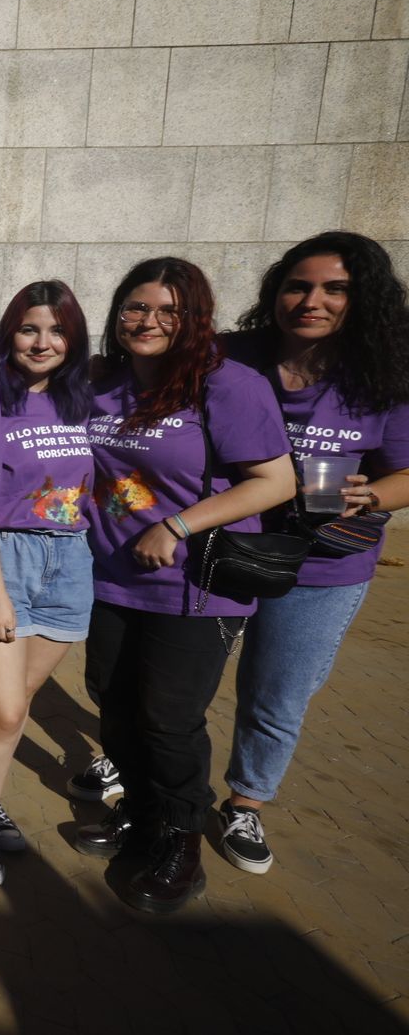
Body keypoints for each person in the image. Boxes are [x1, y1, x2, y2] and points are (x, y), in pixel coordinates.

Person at [74, 257, 295, 914]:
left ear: (195, 320)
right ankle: (142, 821)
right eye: (136, 308)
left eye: (169, 311)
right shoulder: (101, 382)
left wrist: (176, 523)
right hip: (112, 578)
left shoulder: (225, 385)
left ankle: (182, 846)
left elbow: (275, 481)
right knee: (113, 708)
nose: (148, 322)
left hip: (194, 587)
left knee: (168, 721)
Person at [218, 232, 409, 873]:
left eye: (335, 289)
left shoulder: (385, 374)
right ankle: (140, 768)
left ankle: (246, 803)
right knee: (170, 676)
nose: (312, 300)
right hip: (223, 549)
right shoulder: (231, 357)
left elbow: (405, 473)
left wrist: (371, 496)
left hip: (323, 564)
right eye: (298, 285)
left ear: (364, 301)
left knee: (276, 694)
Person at [0, 280, 95, 885]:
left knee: (15, 707)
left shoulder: (86, 400)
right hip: (3, 556)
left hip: (71, 561)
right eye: (29, 328)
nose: (43, 342)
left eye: (57, 330)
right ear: (10, 332)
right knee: (5, 709)